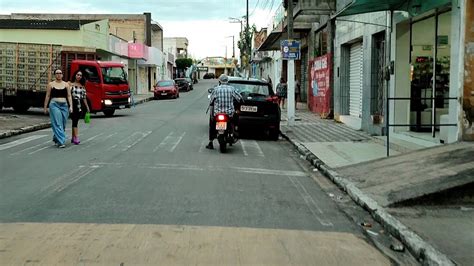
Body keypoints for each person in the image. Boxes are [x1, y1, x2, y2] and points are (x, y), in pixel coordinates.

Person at [206, 74, 242, 150]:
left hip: (218, 113)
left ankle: (211, 142)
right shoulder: (232, 89)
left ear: (220, 81)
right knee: (235, 120)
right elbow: (239, 98)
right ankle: (234, 131)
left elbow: (211, 101)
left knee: (212, 125)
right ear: (227, 81)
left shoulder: (216, 89)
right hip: (229, 113)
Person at [43, 69, 73, 148]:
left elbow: (69, 96)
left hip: (64, 105)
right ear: (55, 75)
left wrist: (71, 106)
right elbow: (48, 96)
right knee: (57, 122)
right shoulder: (51, 84)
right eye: (57, 73)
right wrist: (45, 107)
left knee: (63, 124)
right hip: (54, 105)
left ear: (62, 75)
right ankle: (61, 141)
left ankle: (56, 138)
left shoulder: (66, 84)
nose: (59, 75)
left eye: (60, 73)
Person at [69, 70, 90, 145]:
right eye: (78, 75)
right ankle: (76, 137)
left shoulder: (82, 86)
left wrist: (87, 107)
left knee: (75, 121)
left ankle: (73, 137)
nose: (79, 76)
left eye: (80, 75)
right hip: (72, 103)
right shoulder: (70, 84)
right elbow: (68, 95)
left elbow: (84, 98)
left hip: (79, 105)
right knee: (74, 120)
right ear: (75, 75)